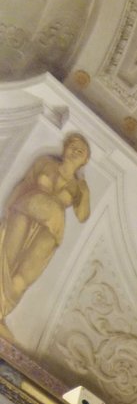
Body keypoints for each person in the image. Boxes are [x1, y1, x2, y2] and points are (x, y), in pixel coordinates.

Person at [0, 132, 91, 332]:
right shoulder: (46, 162)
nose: (75, 152)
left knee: (24, 277)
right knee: (7, 257)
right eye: (73, 146)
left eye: (81, 151)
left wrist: (84, 189)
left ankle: (2, 312)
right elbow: (25, 183)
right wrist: (7, 210)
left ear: (86, 160)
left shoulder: (78, 187)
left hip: (52, 228)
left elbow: (83, 216)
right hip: (25, 209)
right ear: (64, 147)